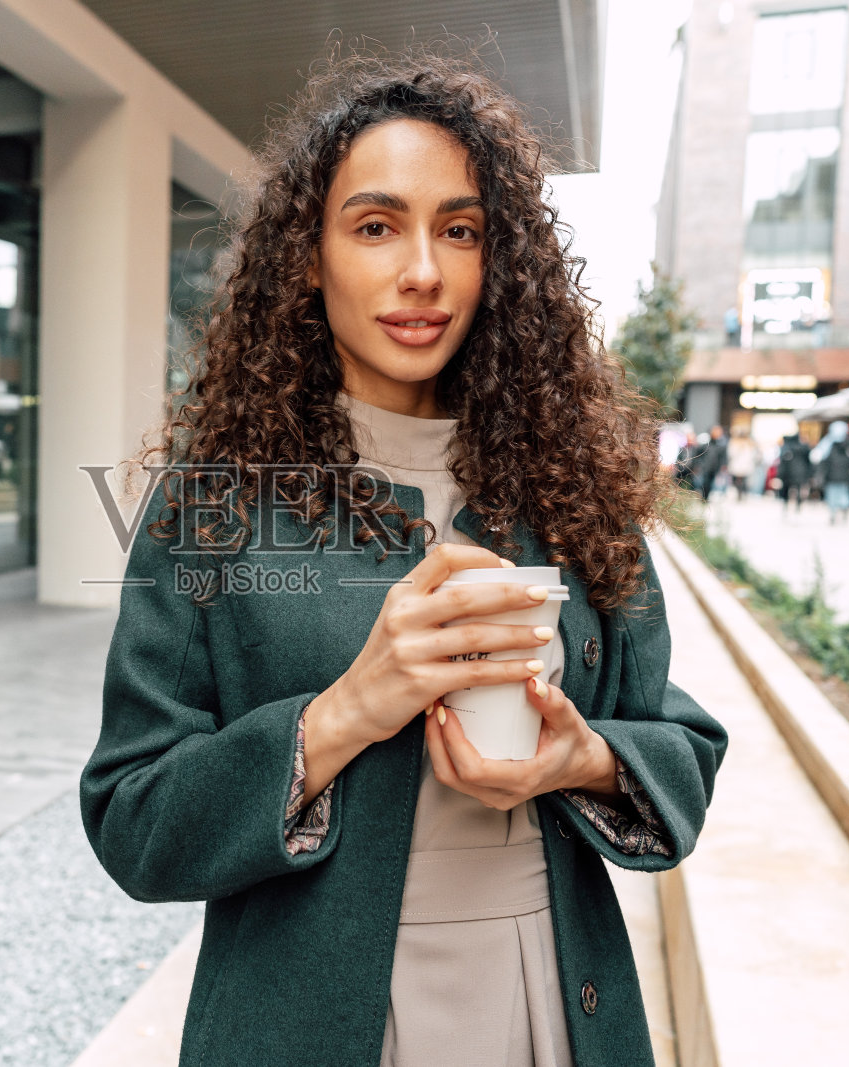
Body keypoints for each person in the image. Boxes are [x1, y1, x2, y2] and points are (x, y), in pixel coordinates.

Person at [79, 49, 728, 1067]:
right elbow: (131, 813)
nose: (421, 269)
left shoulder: (572, 490)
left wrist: (579, 760)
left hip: (546, 1000)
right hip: (307, 1014)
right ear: (308, 254)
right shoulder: (213, 503)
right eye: (375, 225)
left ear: (494, 258)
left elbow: (681, 747)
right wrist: (345, 711)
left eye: (458, 230)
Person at [810, 420, 849, 524]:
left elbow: (817, 458)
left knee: (833, 495)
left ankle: (834, 513)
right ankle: (843, 511)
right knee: (843, 494)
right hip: (843, 476)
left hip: (831, 475)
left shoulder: (827, 443)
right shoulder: (848, 444)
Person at [776, 432, 812, 515]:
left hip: (788, 473)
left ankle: (786, 506)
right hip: (801, 473)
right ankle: (798, 506)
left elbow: (782, 463)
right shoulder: (804, 448)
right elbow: (808, 462)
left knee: (787, 490)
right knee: (798, 490)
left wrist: (780, 475)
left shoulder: (787, 448)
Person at [691, 424, 727, 500]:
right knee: (702, 483)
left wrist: (723, 466)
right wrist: (697, 465)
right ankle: (703, 498)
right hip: (704, 468)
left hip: (714, 468)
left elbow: (723, 458)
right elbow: (697, 455)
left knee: (710, 484)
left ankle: (705, 498)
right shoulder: (705, 445)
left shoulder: (720, 446)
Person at [725, 428, 759, 502]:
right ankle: (742, 493)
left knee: (737, 480)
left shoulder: (734, 443)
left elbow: (730, 454)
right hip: (745, 465)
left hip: (737, 464)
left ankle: (740, 493)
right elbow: (753, 455)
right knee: (743, 481)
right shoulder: (749, 443)